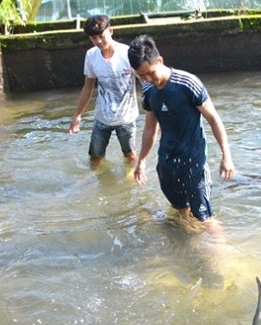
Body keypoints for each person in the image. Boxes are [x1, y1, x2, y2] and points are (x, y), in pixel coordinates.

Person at [127, 35, 235, 225]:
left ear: (159, 61)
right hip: (167, 164)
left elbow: (213, 119)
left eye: (150, 73)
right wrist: (141, 162)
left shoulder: (187, 83)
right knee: (180, 213)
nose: (147, 79)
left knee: (205, 219)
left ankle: (221, 254)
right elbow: (150, 129)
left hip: (194, 163)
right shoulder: (148, 90)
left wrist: (226, 156)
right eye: (140, 76)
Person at [67, 15, 138, 168]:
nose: (99, 41)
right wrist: (77, 115)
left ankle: (132, 179)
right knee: (95, 156)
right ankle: (92, 181)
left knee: (130, 155)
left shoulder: (128, 54)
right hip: (102, 116)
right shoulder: (91, 55)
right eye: (94, 38)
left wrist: (158, 113)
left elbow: (146, 82)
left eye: (101, 36)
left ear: (110, 31)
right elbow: (88, 87)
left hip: (126, 116)